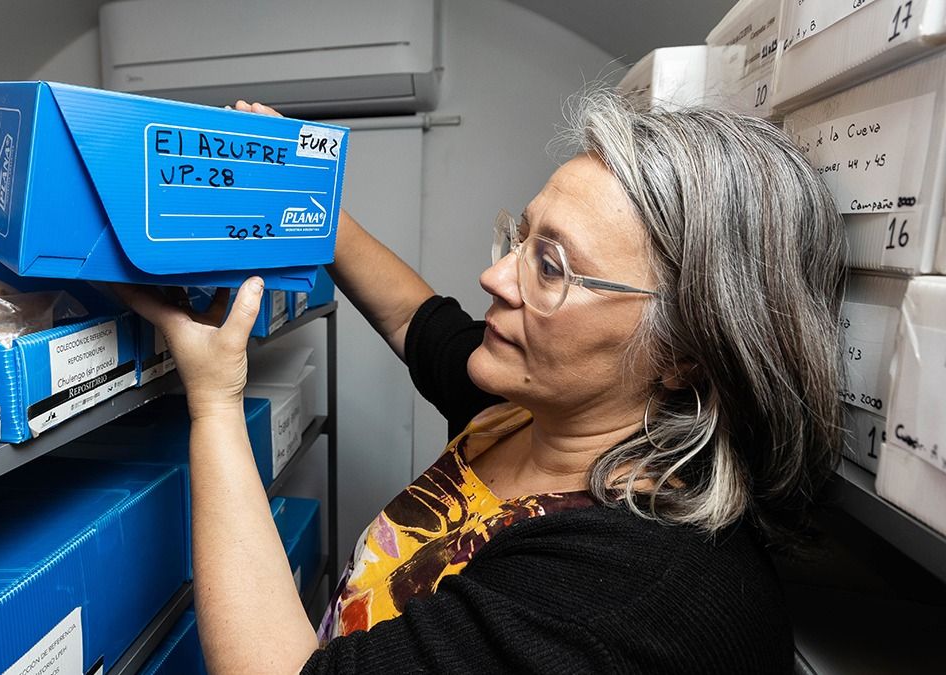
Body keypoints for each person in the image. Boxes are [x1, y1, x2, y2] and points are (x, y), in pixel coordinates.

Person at [114, 89, 846, 674]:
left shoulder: (622, 592)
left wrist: (214, 401)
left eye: (551, 266)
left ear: (687, 352)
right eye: (522, 237)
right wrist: (309, 201)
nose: (495, 276)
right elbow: (416, 320)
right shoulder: (536, 410)